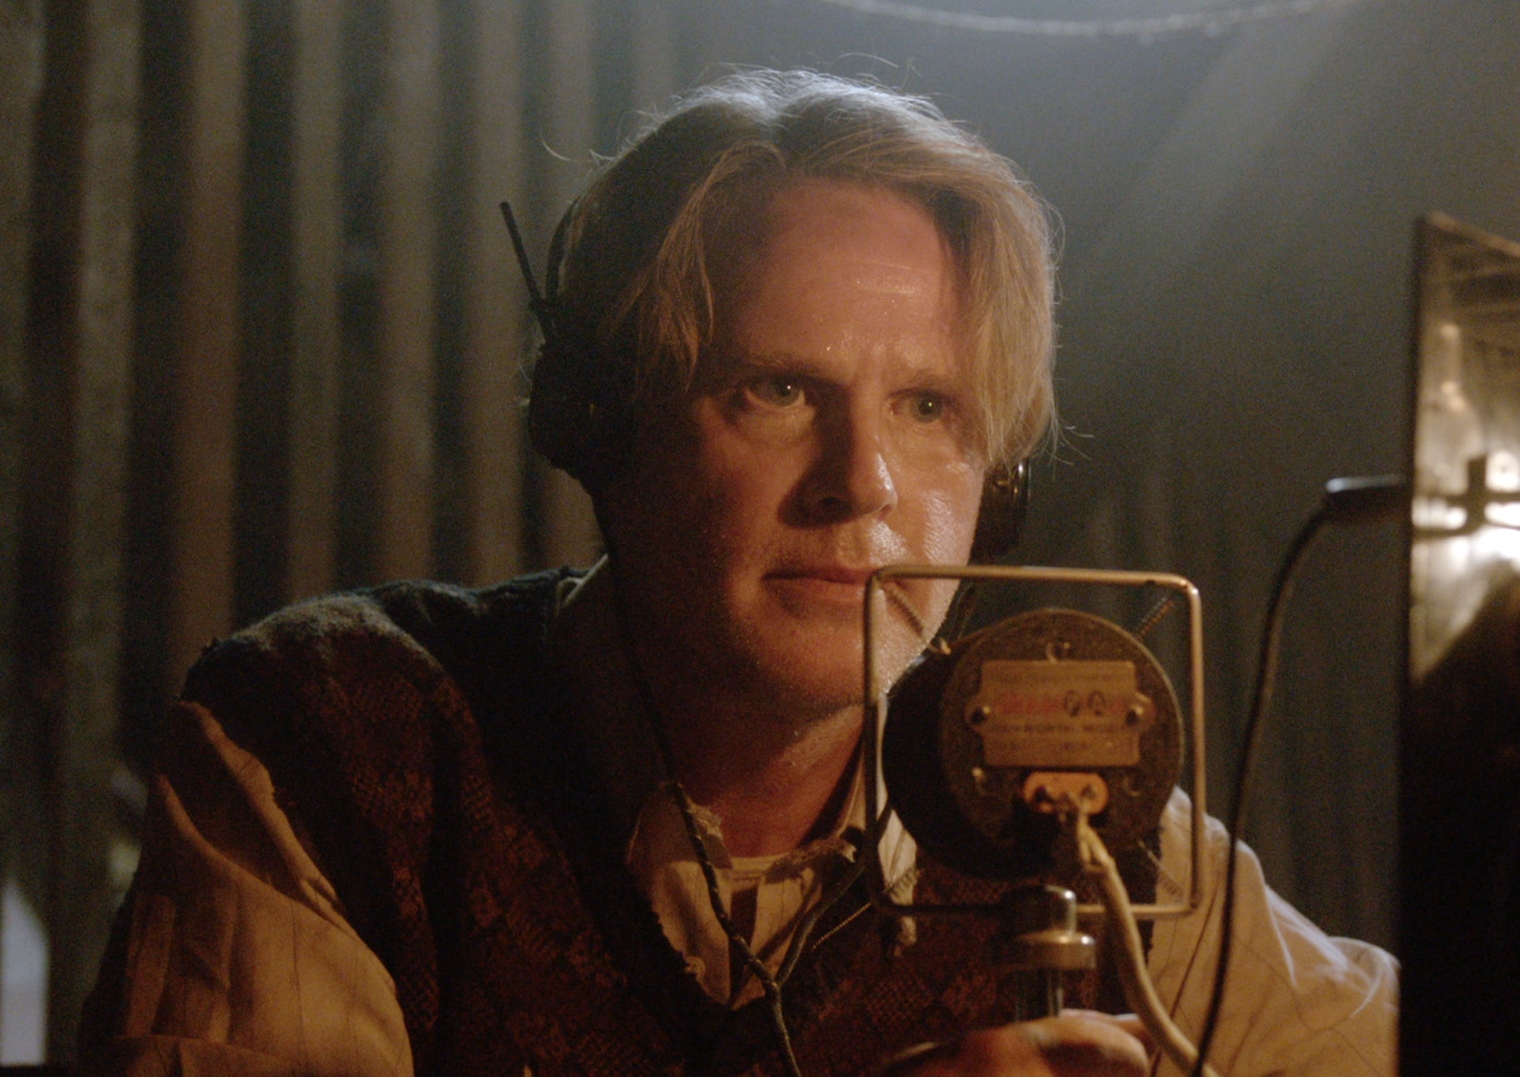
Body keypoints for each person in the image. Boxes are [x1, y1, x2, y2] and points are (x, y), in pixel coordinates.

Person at [77, 71, 1395, 1076]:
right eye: (777, 391)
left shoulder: (1077, 820)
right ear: (604, 428)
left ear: (997, 484)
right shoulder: (328, 745)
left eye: (928, 409)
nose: (863, 482)